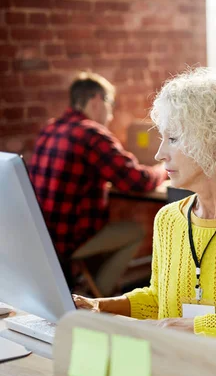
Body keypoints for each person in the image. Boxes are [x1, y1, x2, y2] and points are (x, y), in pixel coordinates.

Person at [73, 68, 216, 355]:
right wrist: (100, 305)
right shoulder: (169, 219)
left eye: (173, 139)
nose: (160, 154)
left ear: (212, 143)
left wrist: (189, 329)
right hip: (191, 365)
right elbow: (160, 300)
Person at [29, 71, 166, 295]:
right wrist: (163, 170)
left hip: (42, 236)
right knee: (135, 231)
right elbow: (137, 181)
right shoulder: (91, 134)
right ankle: (96, 296)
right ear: (96, 101)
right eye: (110, 105)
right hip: (69, 241)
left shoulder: (50, 128)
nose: (111, 115)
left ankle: (86, 286)